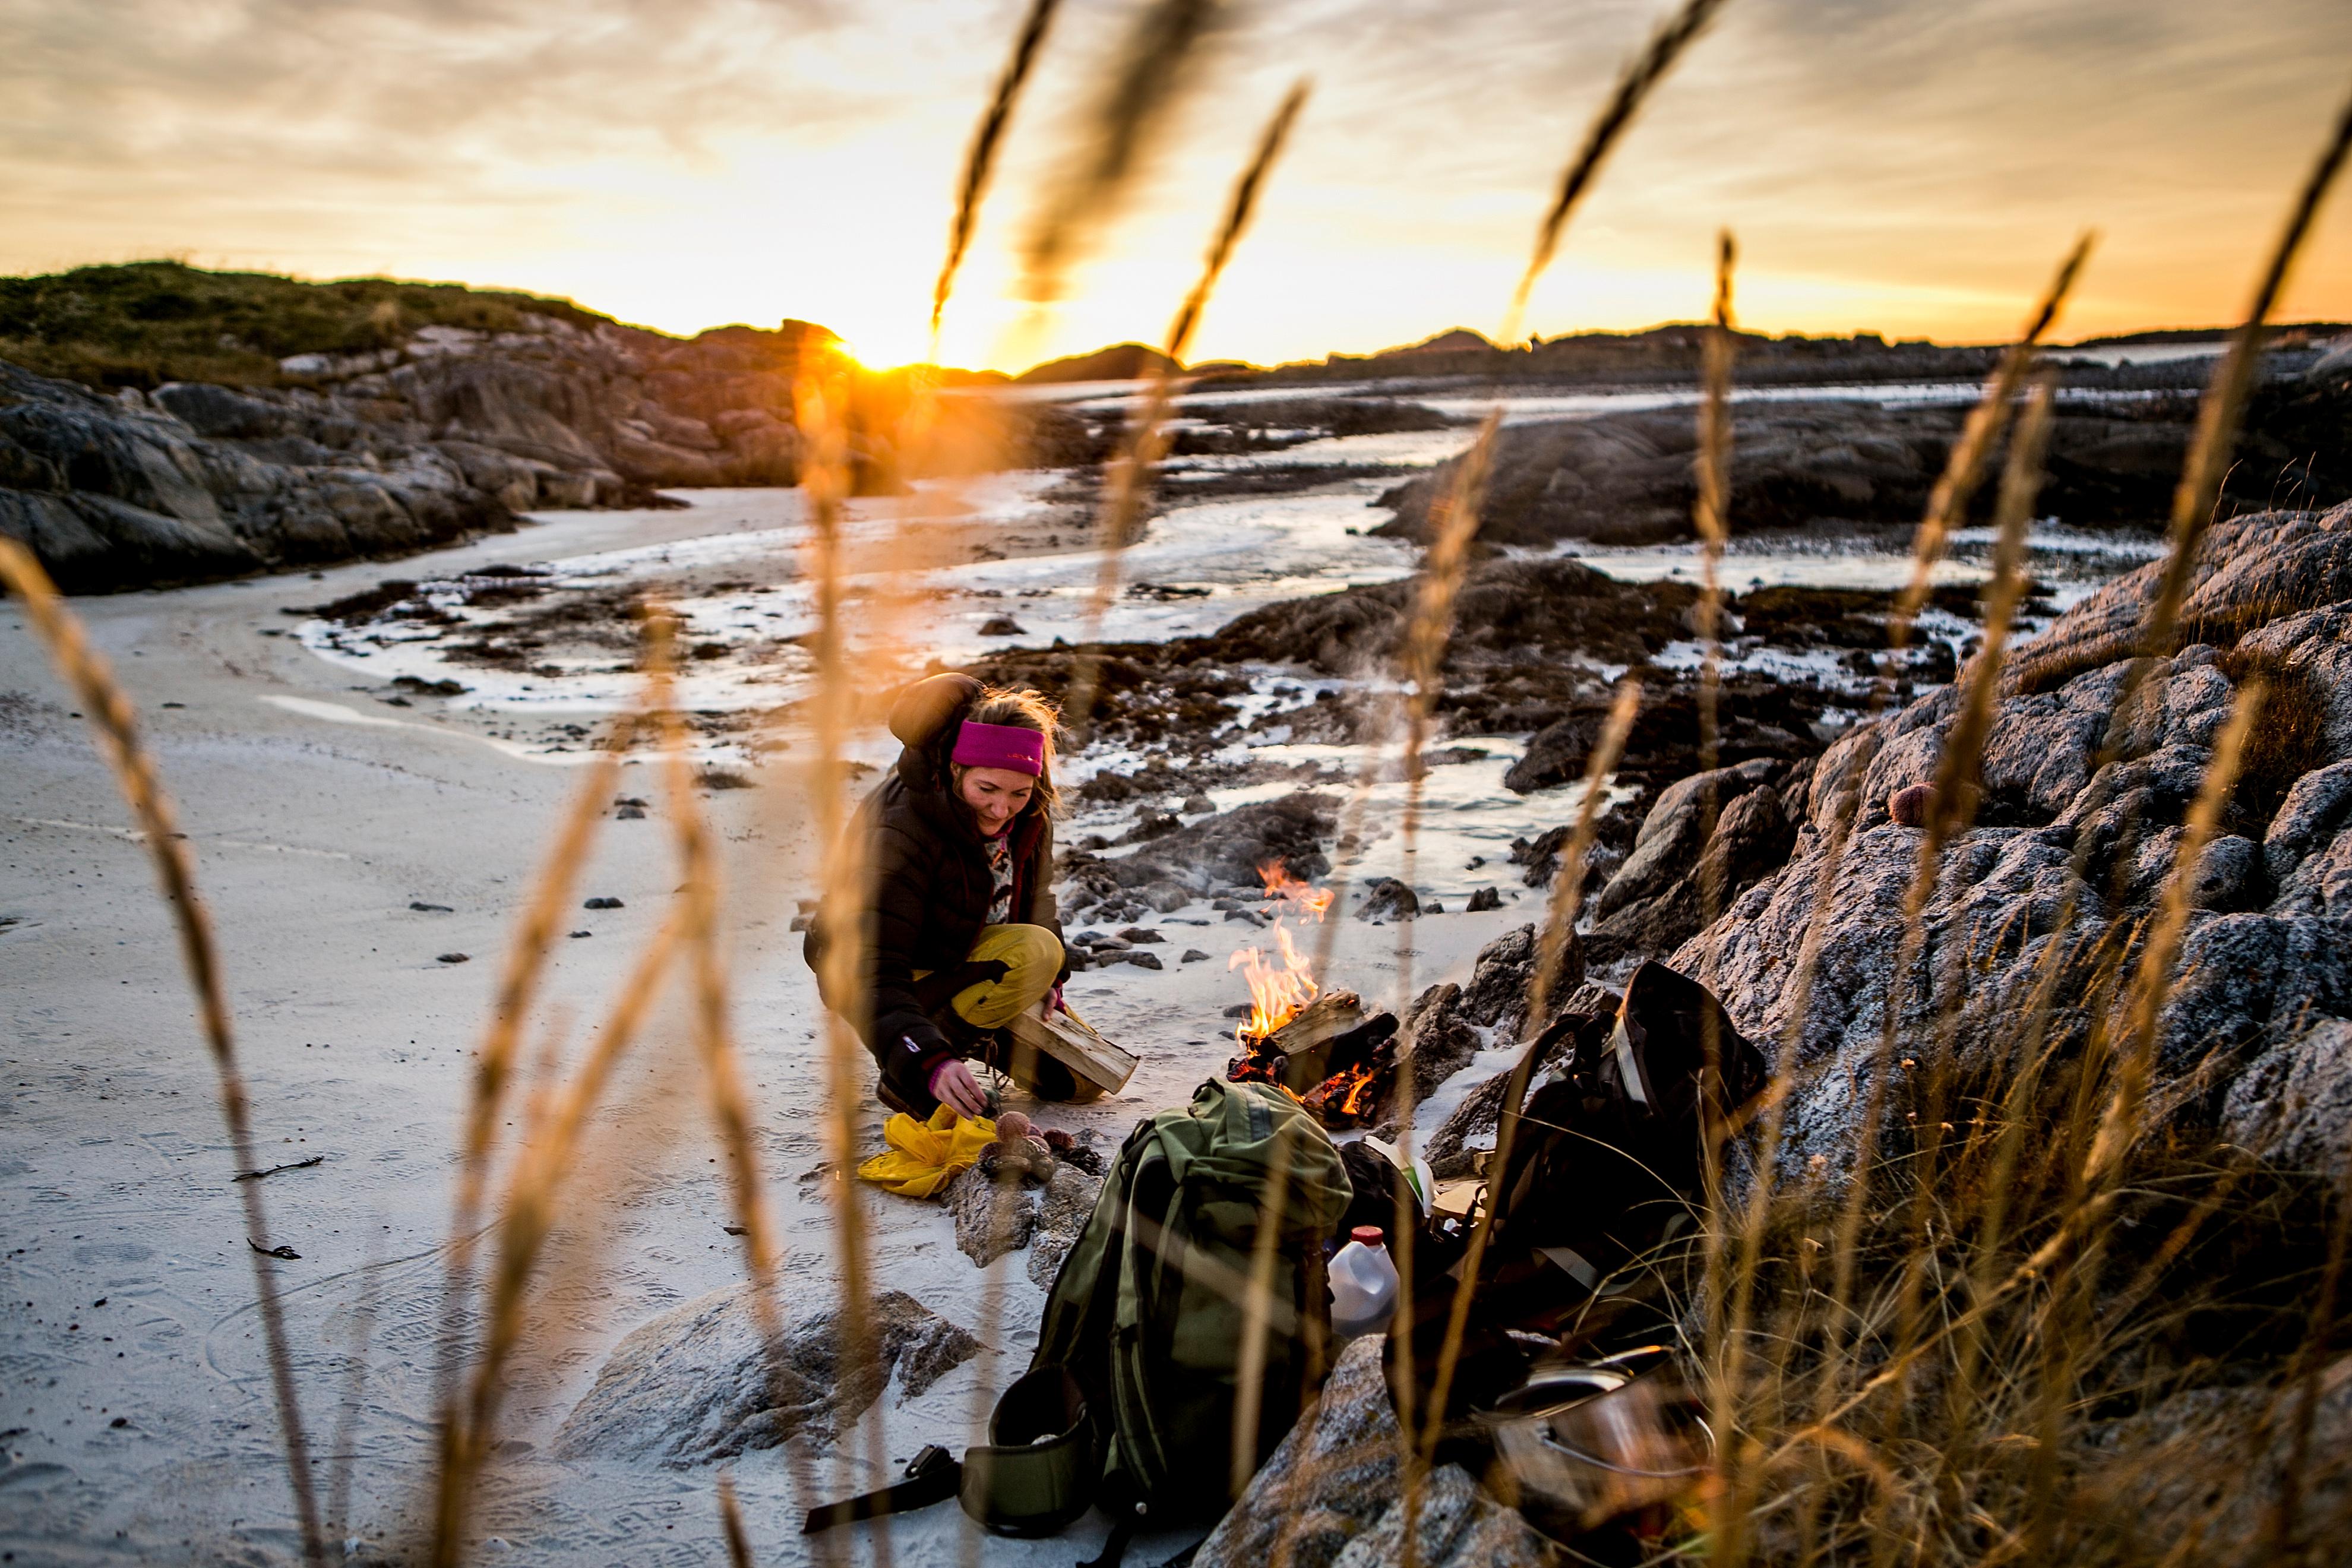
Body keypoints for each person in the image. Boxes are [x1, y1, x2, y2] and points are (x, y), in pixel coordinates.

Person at [803, 672, 1080, 1118]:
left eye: (1019, 793)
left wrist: (1050, 982)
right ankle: (911, 1072)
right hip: (873, 968)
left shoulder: (1030, 813)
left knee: (1079, 1085)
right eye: (986, 789)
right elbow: (871, 969)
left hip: (960, 952)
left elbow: (1036, 899)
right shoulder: (899, 831)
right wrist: (928, 1060)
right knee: (1036, 951)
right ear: (956, 769)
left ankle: (979, 1025)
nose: (1001, 809)